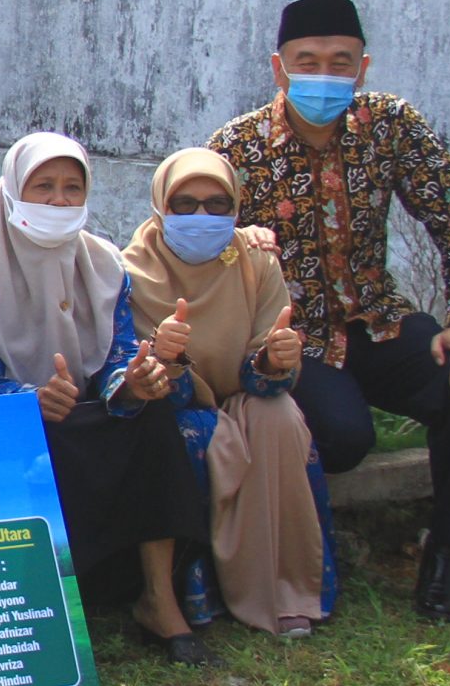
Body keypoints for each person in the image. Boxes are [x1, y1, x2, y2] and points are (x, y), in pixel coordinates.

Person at [209, 0, 450, 620]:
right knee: (344, 438)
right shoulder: (240, 145)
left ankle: (448, 553)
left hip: (375, 318)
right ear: (279, 68)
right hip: (294, 336)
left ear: (362, 67)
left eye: (340, 61)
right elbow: (195, 239)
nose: (324, 74)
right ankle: (304, 552)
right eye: (306, 60)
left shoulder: (391, 125)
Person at [0, 135, 215, 662]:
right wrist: (28, 399)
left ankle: (159, 599)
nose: (60, 201)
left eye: (73, 188)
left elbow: (118, 352)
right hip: (18, 425)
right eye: (43, 187)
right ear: (11, 193)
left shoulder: (105, 265)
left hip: (91, 412)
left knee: (154, 415)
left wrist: (132, 380)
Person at [122, 149, 327, 638]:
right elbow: (135, 376)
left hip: (243, 394)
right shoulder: (129, 271)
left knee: (279, 415)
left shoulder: (254, 261)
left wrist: (274, 358)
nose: (201, 217)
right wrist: (166, 361)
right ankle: (187, 592)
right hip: (174, 403)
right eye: (185, 204)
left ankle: (283, 588)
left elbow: (264, 361)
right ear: (159, 206)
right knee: (191, 432)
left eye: (217, 205)